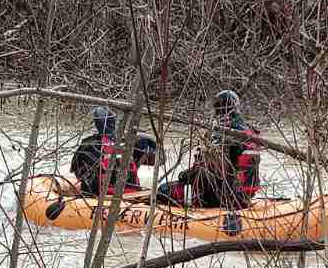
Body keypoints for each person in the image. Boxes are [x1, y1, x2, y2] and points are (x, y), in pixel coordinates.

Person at [158, 90, 262, 221]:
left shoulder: (220, 133)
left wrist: (184, 176)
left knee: (163, 191)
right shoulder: (248, 130)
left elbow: (207, 170)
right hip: (244, 196)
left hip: (219, 195)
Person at [71, 106, 156, 197]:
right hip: (132, 192)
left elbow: (75, 169)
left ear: (97, 123)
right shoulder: (129, 142)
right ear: (113, 122)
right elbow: (157, 160)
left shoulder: (89, 143)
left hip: (101, 194)